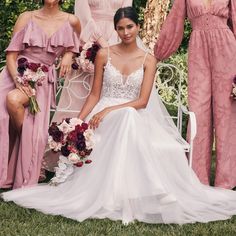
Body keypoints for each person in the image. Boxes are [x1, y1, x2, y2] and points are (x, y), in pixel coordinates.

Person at [2, 7, 236, 225]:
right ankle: (151, 189)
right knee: (126, 118)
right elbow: (94, 95)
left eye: (130, 27)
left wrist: (110, 110)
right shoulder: (104, 54)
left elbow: (142, 102)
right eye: (121, 28)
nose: (125, 32)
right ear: (115, 30)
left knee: (129, 117)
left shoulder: (149, 60)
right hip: (101, 116)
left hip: (132, 113)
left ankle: (127, 192)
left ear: (138, 28)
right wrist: (79, 121)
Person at [154, 0, 236, 189]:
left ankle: (227, 181)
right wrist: (158, 54)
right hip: (198, 48)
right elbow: (174, 22)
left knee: (226, 112)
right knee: (198, 110)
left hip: (227, 49)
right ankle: (196, 178)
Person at [0, 0, 81, 189]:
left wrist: (69, 54)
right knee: (7, 105)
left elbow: (77, 46)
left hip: (43, 80)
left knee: (33, 130)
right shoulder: (26, 17)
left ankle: (26, 159)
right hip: (15, 74)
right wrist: (19, 80)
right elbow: (11, 56)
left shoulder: (72, 21)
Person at [51, 0, 133, 122]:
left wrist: (114, 42)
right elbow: (83, 16)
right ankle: (75, 127)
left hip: (117, 36)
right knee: (81, 89)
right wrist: (100, 41)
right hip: (88, 36)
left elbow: (126, 14)